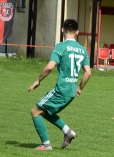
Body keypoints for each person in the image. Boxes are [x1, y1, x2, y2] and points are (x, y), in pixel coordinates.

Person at [28, 19, 91, 151]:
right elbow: (88, 73)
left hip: (61, 90)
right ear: (77, 32)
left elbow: (49, 67)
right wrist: (79, 88)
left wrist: (38, 80)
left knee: (35, 112)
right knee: (46, 111)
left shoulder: (60, 46)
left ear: (62, 30)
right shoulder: (83, 50)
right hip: (71, 91)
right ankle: (68, 132)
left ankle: (46, 145)